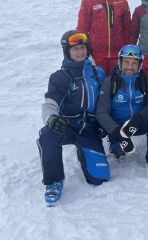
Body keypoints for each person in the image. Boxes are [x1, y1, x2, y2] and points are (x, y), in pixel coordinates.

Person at [37, 30, 109, 207]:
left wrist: (104, 124)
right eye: (75, 49)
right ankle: (53, 181)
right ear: (67, 51)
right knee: (47, 134)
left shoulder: (97, 73)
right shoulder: (61, 77)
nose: (80, 52)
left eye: (83, 48)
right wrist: (51, 118)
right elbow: (50, 103)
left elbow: (105, 101)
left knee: (99, 179)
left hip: (89, 129)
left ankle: (83, 150)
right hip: (67, 126)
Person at [96, 44, 148, 176]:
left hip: (137, 123)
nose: (130, 67)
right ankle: (116, 146)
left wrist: (138, 120)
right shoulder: (110, 82)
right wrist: (116, 132)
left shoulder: (143, 80)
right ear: (119, 62)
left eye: (134, 63)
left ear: (140, 65)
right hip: (118, 126)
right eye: (126, 62)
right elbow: (101, 112)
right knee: (119, 151)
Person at [77, 0, 131, 74]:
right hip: (96, 56)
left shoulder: (122, 3)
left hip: (117, 56)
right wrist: (85, 52)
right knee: (98, 85)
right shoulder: (87, 2)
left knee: (115, 85)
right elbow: (82, 30)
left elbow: (127, 30)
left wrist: (127, 52)